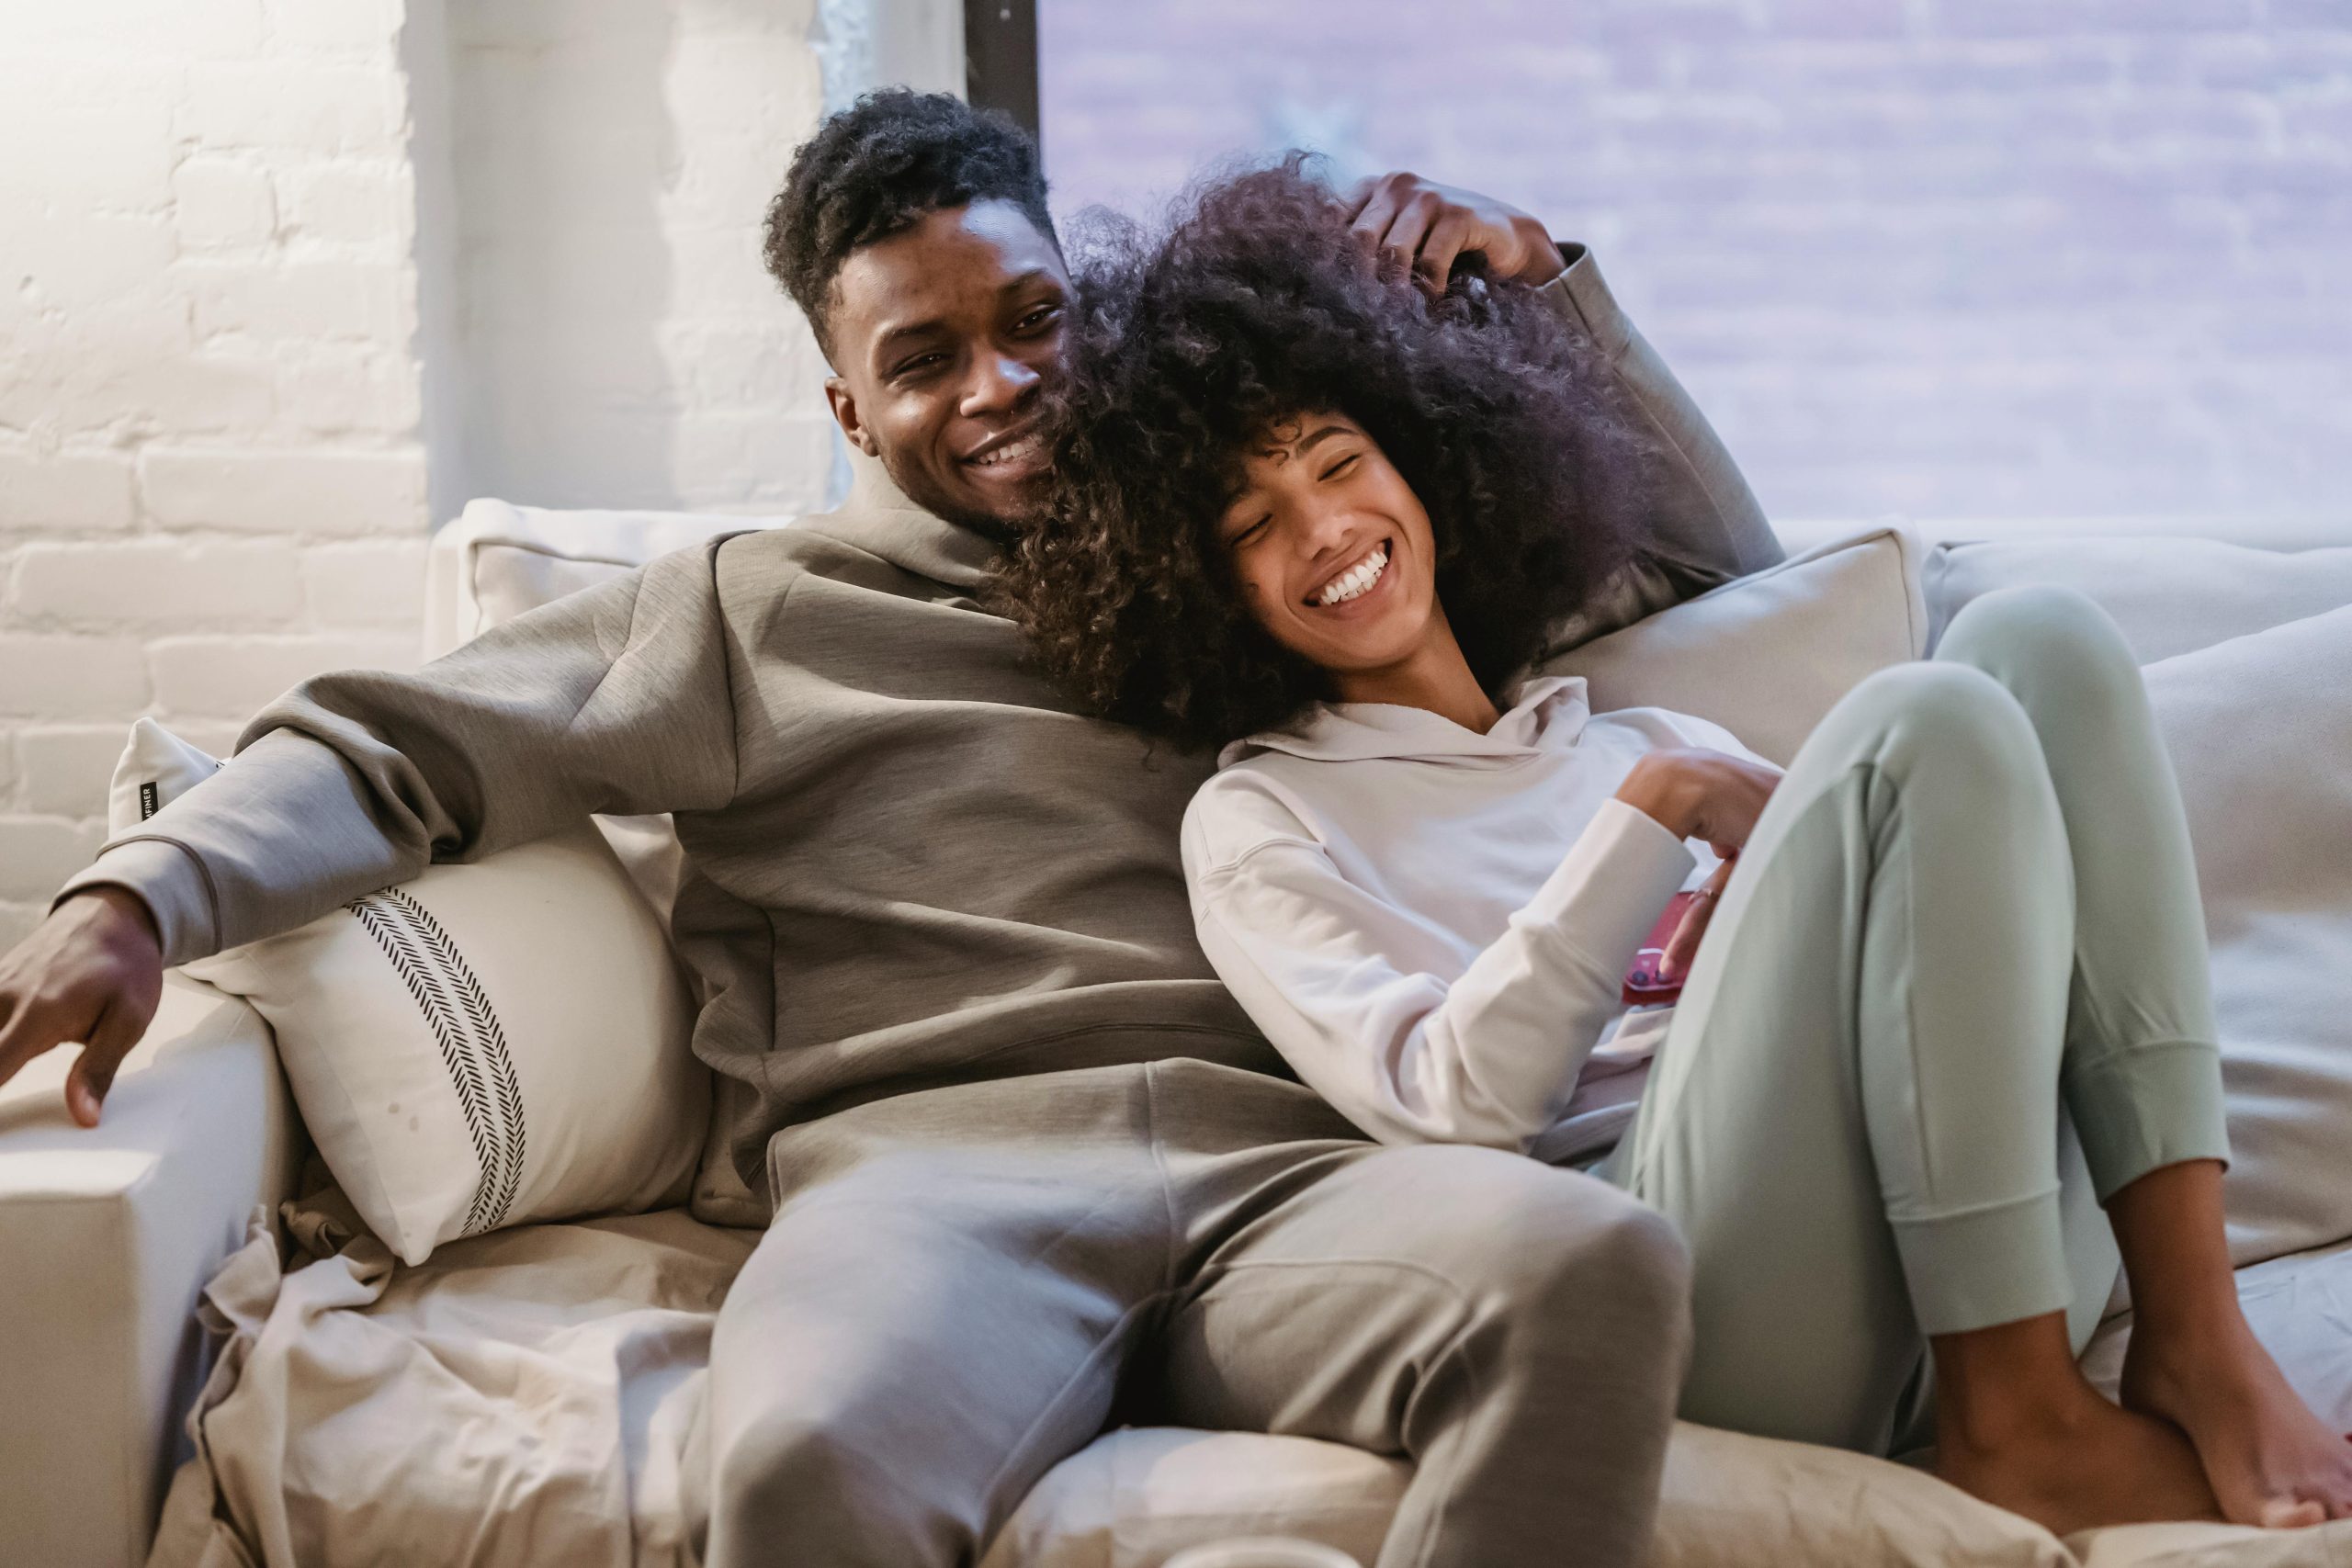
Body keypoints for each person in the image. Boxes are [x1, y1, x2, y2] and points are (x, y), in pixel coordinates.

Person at [0, 93, 1785, 1567]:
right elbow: (404, 746)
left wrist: (1546, 288)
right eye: (923, 360)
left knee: (1584, 1263)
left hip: (1297, 1167)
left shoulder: (1239, 543)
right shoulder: (746, 609)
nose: (997, 386)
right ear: (847, 405)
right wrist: (140, 894)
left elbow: (1690, 572)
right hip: (938, 1189)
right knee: (795, 1463)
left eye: (1032, 321)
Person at [994, 158, 2352, 1538]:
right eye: (1253, 525)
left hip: (1950, 1218)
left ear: (1428, 461)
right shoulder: (1266, 819)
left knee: (2039, 640)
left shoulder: (1623, 726)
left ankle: (2197, 1334)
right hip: (1704, 1285)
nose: (1327, 527)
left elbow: (1900, 910)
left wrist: (1689, 805)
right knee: (1930, 711)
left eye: (1342, 462)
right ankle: (2021, 1420)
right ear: (1198, 589)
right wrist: (1649, 821)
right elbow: (1455, 1106)